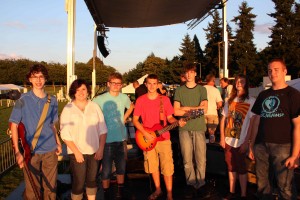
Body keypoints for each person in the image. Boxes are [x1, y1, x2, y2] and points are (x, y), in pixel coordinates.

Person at [248, 59, 300, 199]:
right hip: (261, 147)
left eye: (276, 69)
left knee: (286, 187)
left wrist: (295, 155)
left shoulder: (293, 95)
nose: (272, 73)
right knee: (262, 186)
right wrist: (252, 145)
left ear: (285, 71)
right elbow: (256, 122)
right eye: (270, 70)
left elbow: (298, 126)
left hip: (283, 147)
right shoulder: (263, 95)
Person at [9, 64, 62, 200]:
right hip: (30, 151)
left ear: (45, 79)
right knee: (33, 190)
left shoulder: (53, 101)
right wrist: (17, 151)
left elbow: (52, 125)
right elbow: (14, 125)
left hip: (50, 150)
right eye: (35, 77)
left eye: (41, 77)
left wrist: (58, 142)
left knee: (51, 188)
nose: (38, 80)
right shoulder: (22, 100)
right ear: (30, 79)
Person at [133, 74, 186, 200]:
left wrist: (177, 122)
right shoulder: (140, 100)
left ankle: (169, 194)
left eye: (154, 83)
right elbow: (135, 120)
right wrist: (145, 133)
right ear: (145, 84)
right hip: (147, 139)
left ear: (158, 85)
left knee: (167, 167)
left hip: (164, 138)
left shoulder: (165, 100)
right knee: (152, 166)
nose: (152, 86)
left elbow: (170, 118)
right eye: (149, 83)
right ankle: (158, 190)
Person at [60, 79, 107, 200]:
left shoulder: (95, 106)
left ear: (88, 91)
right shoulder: (68, 109)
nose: (81, 92)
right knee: (78, 184)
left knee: (92, 181)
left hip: (94, 152)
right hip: (77, 154)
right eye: (77, 90)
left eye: (83, 89)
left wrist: (101, 149)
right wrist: (76, 152)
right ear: (73, 92)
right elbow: (65, 134)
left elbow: (103, 130)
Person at [93, 72, 134, 199]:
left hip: (121, 138)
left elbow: (131, 107)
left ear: (121, 85)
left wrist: (124, 117)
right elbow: (92, 113)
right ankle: (106, 193)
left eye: (118, 84)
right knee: (106, 170)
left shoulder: (124, 98)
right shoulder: (99, 99)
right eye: (113, 83)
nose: (116, 86)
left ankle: (119, 192)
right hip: (106, 140)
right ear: (108, 84)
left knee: (121, 168)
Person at [173, 63, 208, 198]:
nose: (189, 75)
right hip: (184, 129)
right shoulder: (179, 90)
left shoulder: (201, 90)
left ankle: (201, 183)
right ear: (184, 74)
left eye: (191, 72)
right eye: (186, 72)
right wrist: (195, 108)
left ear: (195, 74)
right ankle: (191, 184)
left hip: (199, 128)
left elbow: (204, 109)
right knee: (187, 159)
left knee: (201, 159)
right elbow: (176, 111)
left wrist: (185, 108)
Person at [219, 74, 256, 199]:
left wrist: (247, 142)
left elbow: (251, 124)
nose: (239, 83)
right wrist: (222, 138)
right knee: (230, 167)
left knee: (241, 168)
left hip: (241, 142)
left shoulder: (251, 101)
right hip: (229, 141)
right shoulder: (230, 100)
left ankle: (244, 194)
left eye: (242, 81)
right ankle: (232, 191)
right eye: (237, 81)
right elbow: (223, 119)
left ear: (246, 83)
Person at [204, 74, 223, 143]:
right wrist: (218, 106)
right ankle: (211, 139)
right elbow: (220, 103)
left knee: (202, 130)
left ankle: (203, 141)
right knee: (211, 130)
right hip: (212, 112)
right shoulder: (216, 90)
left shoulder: (202, 89)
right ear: (213, 81)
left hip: (202, 112)